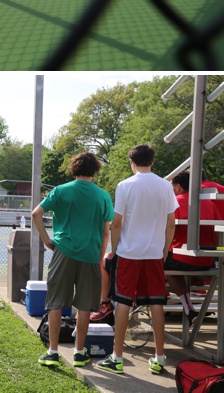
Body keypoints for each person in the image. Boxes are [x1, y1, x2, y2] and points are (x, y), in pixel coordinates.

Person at [96, 144, 178, 376]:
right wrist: (164, 249)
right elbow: (171, 222)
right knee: (156, 303)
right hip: (153, 253)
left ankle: (117, 357)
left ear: (132, 162)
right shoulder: (165, 186)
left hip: (129, 253)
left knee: (122, 301)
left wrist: (115, 248)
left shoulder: (125, 185)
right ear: (152, 161)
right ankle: (160, 357)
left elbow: (117, 222)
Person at [31, 152, 114, 368]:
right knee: (85, 306)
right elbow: (106, 233)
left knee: (56, 302)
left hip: (63, 252)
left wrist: (47, 240)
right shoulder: (103, 195)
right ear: (95, 171)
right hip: (90, 255)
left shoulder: (61, 190)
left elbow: (35, 214)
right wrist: (100, 258)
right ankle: (78, 352)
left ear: (74, 168)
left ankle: (53, 351)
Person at [165, 170, 217, 322]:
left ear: (179, 187)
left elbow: (167, 229)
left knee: (161, 265)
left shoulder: (176, 202)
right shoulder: (208, 202)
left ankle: (186, 307)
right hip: (207, 260)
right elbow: (215, 233)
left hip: (184, 260)